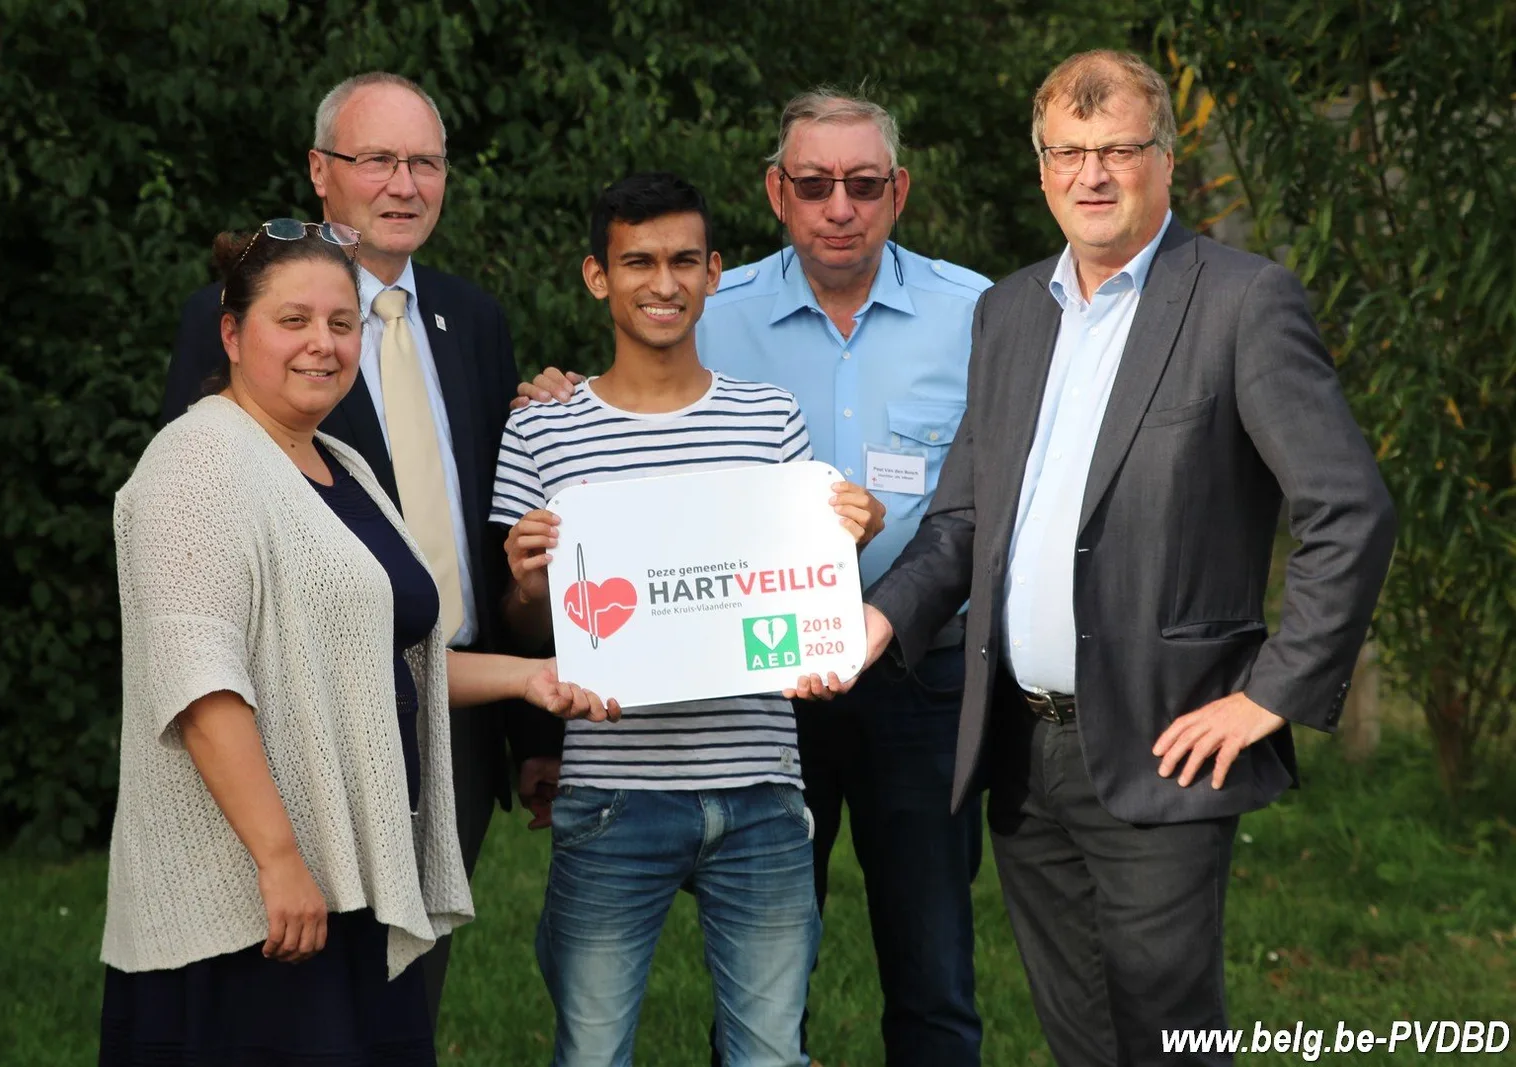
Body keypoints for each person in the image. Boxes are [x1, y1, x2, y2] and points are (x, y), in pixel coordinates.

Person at [803, 51, 1397, 1066]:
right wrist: (880, 617)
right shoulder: (1009, 312)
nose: (1092, 174)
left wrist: (1271, 693)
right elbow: (964, 518)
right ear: (1041, 167)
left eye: (1117, 149)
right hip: (1020, 749)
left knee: (1165, 1037)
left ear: (1163, 159)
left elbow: (1348, 507)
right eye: (1068, 151)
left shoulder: (1241, 302)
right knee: (1079, 1034)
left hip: (1166, 737)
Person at [519, 89, 991, 1065]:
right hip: (757, 690)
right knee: (770, 981)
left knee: (935, 969)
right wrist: (556, 390)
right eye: (813, 184)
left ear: (898, 191)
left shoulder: (975, 313)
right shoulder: (705, 307)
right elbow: (627, 415)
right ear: (777, 192)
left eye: (863, 184)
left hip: (921, 677)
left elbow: (994, 497)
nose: (839, 206)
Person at [101, 221, 616, 1066]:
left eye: (342, 324)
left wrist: (532, 678)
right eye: (293, 320)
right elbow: (200, 689)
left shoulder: (340, 464)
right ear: (231, 333)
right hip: (249, 905)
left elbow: (380, 656)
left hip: (353, 876)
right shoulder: (195, 462)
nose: (324, 343)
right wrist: (279, 860)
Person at [160, 71, 562, 1020]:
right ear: (320, 171)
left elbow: (496, 534)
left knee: (408, 992)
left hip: (455, 712)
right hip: (301, 718)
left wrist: (535, 735)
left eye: (425, 163)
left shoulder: (475, 319)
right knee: (291, 993)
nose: (404, 184)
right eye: (377, 159)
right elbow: (201, 541)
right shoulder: (235, 316)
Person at [494, 172, 880, 1067]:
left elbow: (798, 590)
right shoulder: (543, 430)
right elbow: (526, 634)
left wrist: (848, 547)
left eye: (682, 261)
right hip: (610, 792)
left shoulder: (769, 419)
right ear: (598, 276)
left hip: (761, 790)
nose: (662, 283)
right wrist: (526, 583)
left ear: (713, 272)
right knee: (591, 1053)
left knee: (770, 1054)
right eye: (638, 262)